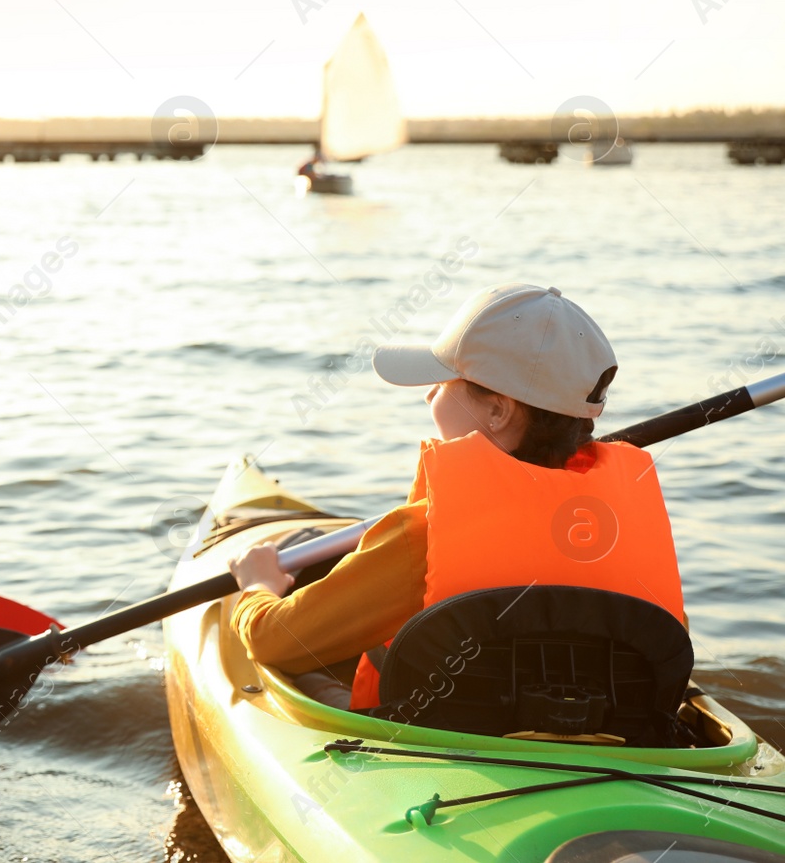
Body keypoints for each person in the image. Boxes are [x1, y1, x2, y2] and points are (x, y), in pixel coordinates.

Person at [227, 283, 685, 711]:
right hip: (616, 731)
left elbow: (275, 640)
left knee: (296, 667)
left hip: (449, 741)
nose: (428, 393)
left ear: (497, 410)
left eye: (444, 382)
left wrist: (259, 585)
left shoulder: (422, 535)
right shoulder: (624, 520)